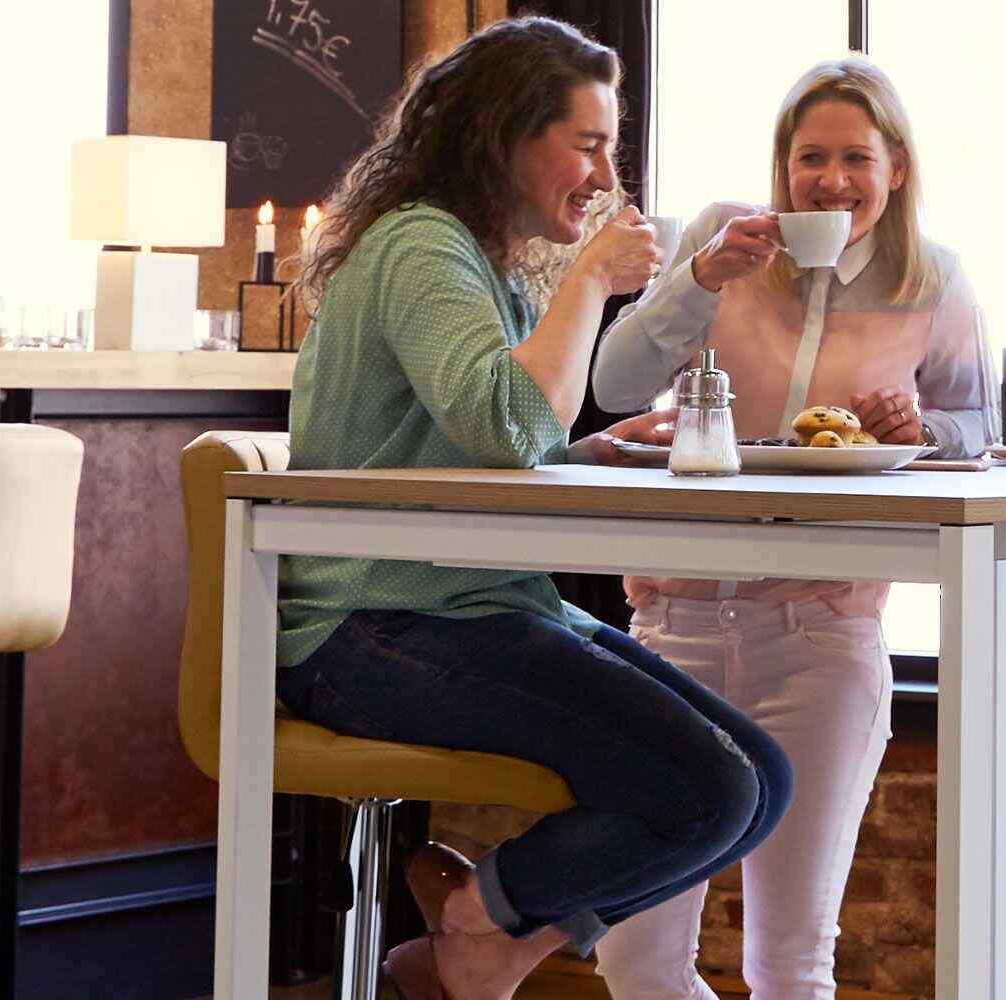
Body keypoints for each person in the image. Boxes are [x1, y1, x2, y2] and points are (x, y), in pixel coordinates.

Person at [279, 16, 792, 1000]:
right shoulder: (422, 249)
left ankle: (485, 930)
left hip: (468, 607)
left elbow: (491, 440)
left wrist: (588, 447)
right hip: (373, 627)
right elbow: (504, 427)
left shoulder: (479, 262)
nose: (605, 176)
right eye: (588, 143)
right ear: (508, 136)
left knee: (761, 779)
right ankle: (483, 915)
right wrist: (594, 276)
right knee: (713, 788)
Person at [587, 58, 996, 999]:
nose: (833, 180)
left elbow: (977, 428)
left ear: (896, 167)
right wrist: (699, 278)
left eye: (857, 157)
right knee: (634, 956)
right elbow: (609, 386)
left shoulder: (934, 281)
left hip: (820, 638)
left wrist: (919, 430)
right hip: (670, 633)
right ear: (784, 167)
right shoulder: (724, 242)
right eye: (811, 157)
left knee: (791, 958)